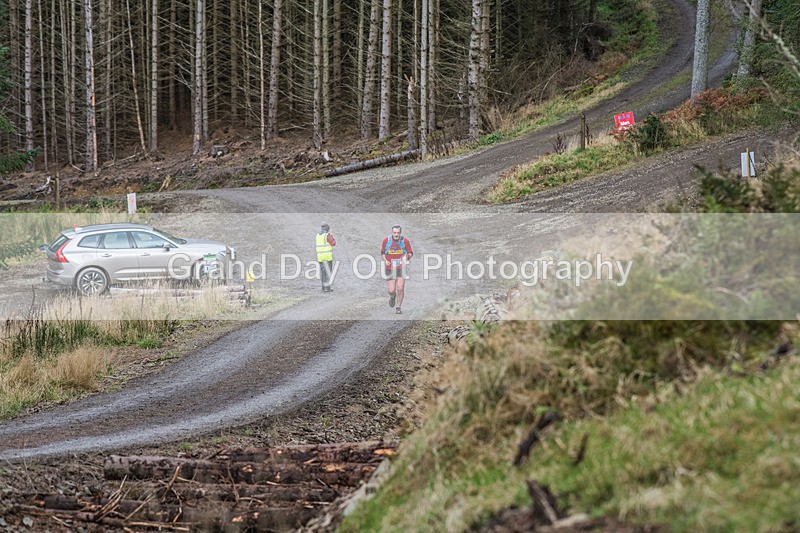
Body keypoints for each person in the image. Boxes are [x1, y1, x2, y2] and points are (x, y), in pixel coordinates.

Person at [381, 225, 413, 314]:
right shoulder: (386, 240)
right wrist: (385, 260)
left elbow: (410, 252)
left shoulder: (405, 241)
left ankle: (398, 307)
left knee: (400, 288)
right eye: (394, 233)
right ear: (392, 233)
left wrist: (406, 257)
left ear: (400, 233)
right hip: (390, 268)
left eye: (398, 233)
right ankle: (392, 297)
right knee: (391, 290)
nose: (396, 235)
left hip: (401, 268)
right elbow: (382, 253)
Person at [316, 222, 336, 292]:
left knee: (323, 272)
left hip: (320, 257)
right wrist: (332, 236)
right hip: (327, 257)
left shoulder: (318, 235)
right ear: (327, 229)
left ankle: (323, 288)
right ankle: (327, 288)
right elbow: (333, 243)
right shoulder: (327, 235)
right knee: (328, 272)